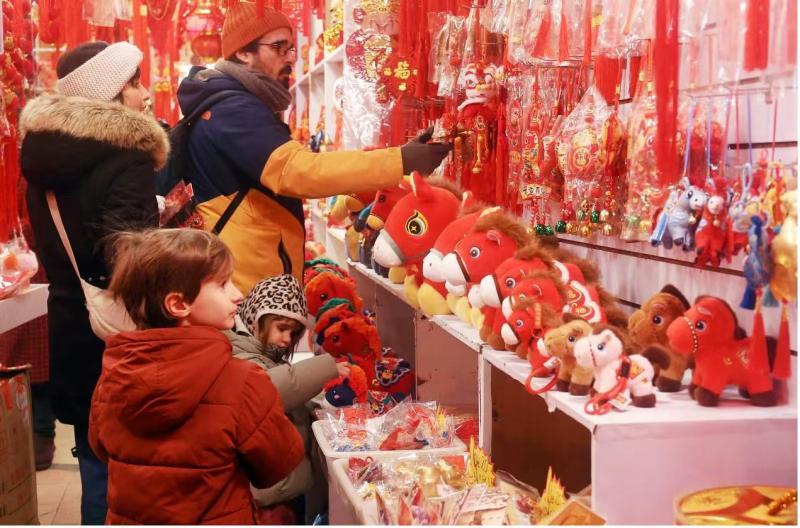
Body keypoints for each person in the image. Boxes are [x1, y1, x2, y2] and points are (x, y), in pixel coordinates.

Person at [176, 2, 451, 293]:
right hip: (245, 284)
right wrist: (399, 161)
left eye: (291, 48)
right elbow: (298, 171)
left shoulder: (233, 103)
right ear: (243, 53)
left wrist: (399, 157)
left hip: (248, 274)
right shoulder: (234, 110)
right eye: (279, 47)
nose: (290, 58)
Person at [19, 41, 165, 523]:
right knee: (131, 472)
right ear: (111, 91)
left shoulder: (47, 160)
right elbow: (128, 257)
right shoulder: (127, 159)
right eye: (135, 83)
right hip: (122, 334)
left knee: (94, 461)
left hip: (72, 322)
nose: (145, 94)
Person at [89, 229, 304, 524]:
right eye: (223, 284)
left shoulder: (113, 376)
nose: (238, 295)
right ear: (179, 304)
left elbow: (102, 447)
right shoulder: (242, 381)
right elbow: (278, 463)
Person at [226, 274, 348, 523]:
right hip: (267, 495)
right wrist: (328, 367)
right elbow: (272, 388)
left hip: (280, 487)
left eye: (293, 334)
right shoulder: (239, 355)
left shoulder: (264, 356)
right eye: (282, 328)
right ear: (256, 319)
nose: (286, 339)